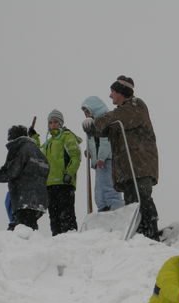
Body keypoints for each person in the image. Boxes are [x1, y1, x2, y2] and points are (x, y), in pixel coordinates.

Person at [82, 75, 160, 241]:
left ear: (122, 92)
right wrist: (94, 130)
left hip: (140, 164)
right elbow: (108, 129)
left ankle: (151, 236)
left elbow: (114, 118)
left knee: (142, 200)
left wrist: (96, 123)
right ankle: (139, 236)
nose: (110, 96)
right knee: (132, 205)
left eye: (113, 92)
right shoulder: (122, 114)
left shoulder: (135, 106)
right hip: (130, 168)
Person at [0, 125, 49, 231]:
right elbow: (46, 170)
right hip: (40, 202)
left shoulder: (18, 148)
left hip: (24, 200)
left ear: (13, 138)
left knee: (19, 232)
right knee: (30, 231)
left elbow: (9, 173)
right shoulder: (38, 152)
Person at [31, 109, 81, 236]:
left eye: (56, 122)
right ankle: (57, 239)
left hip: (64, 182)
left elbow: (76, 156)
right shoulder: (49, 142)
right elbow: (38, 153)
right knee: (54, 216)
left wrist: (69, 173)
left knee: (66, 214)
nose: (53, 125)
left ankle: (71, 238)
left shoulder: (67, 136)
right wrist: (33, 137)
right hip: (49, 184)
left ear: (61, 123)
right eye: (50, 122)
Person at [80, 96, 124, 212]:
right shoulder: (92, 125)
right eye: (84, 112)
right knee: (99, 190)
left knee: (108, 187)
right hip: (99, 163)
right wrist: (88, 151)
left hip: (106, 161)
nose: (85, 113)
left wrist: (101, 158)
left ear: (94, 108)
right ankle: (103, 209)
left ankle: (116, 208)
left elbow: (106, 142)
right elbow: (92, 142)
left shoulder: (104, 122)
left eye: (87, 111)